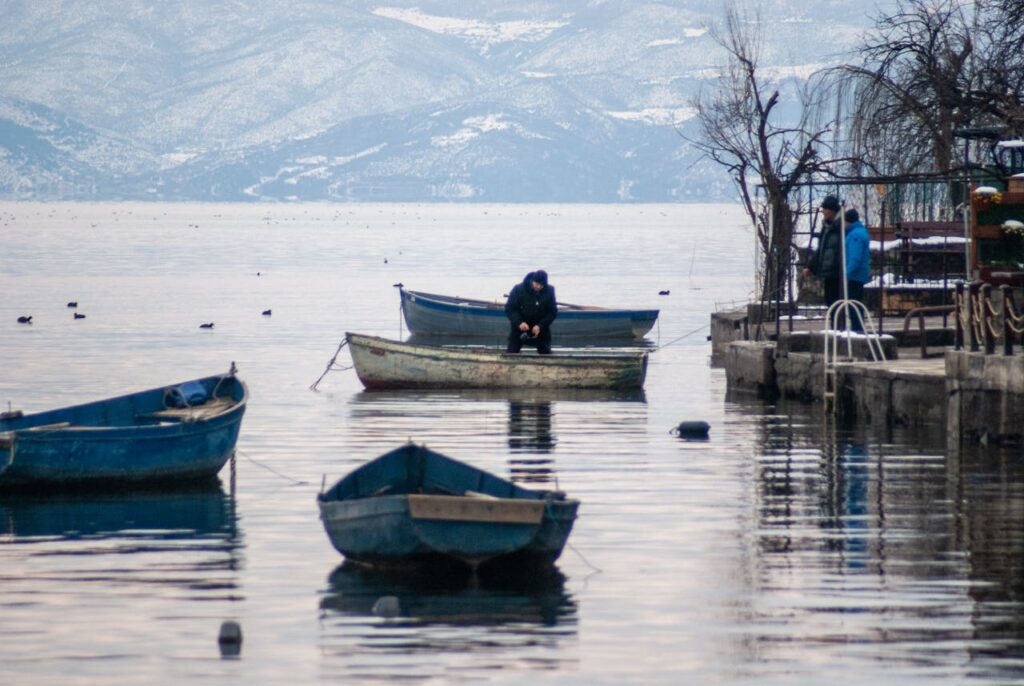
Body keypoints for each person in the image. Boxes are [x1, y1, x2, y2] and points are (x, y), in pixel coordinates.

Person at [804, 195, 844, 309]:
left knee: (837, 303)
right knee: (830, 303)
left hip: (838, 272)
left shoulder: (841, 226)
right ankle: (833, 320)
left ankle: (838, 321)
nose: (823, 212)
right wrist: (811, 266)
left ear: (832, 210)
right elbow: (821, 248)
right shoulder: (826, 227)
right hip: (828, 272)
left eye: (826, 209)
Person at [505, 270, 557, 354]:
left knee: (546, 353)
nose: (538, 287)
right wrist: (519, 322)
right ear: (532, 280)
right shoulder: (518, 289)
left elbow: (552, 312)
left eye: (541, 285)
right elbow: (510, 309)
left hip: (541, 329)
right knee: (511, 352)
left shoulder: (550, 290)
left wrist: (540, 326)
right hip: (520, 327)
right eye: (536, 284)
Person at [843, 208, 871, 333]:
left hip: (854, 276)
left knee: (853, 305)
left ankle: (857, 330)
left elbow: (855, 258)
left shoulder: (855, 235)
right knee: (855, 304)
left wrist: (845, 273)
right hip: (857, 275)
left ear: (847, 221)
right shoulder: (858, 232)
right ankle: (857, 329)